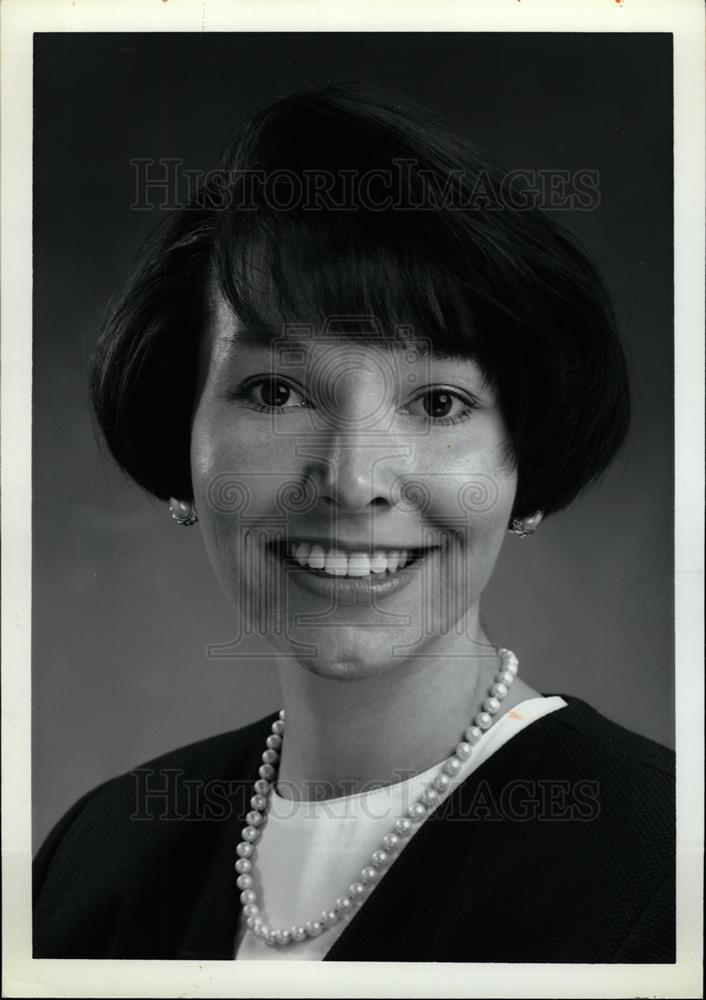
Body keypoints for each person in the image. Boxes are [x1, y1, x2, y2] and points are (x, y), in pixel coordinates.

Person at [33, 83, 674, 962]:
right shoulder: (99, 853)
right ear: (179, 435)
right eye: (274, 392)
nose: (352, 479)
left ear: (524, 462)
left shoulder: (659, 868)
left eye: (439, 402)